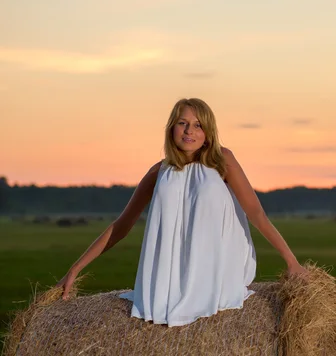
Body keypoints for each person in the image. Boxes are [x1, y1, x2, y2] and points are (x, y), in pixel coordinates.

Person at [56, 98, 308, 327]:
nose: (190, 131)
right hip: (171, 277)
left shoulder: (222, 160)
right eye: (182, 123)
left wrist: (292, 262)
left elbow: (256, 213)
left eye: (198, 125)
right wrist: (74, 270)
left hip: (217, 268)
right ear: (171, 129)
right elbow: (121, 225)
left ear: (208, 132)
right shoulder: (159, 171)